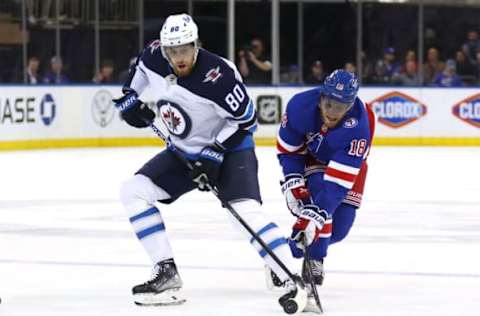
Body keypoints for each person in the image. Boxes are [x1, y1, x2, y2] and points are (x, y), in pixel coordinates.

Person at [113, 13, 307, 312]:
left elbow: (246, 121)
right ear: (164, 49)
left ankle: (286, 272)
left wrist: (215, 151)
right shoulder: (154, 54)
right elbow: (139, 68)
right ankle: (166, 273)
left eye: (185, 49)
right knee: (134, 191)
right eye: (173, 51)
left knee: (242, 213)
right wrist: (129, 97)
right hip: (183, 151)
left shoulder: (219, 75)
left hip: (232, 151)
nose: (179, 57)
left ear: (196, 44)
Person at [272, 70, 375, 307]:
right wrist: (293, 181)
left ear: (351, 105)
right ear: (321, 96)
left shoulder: (360, 125)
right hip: (313, 159)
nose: (331, 112)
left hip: (347, 166)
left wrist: (312, 218)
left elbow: (336, 186)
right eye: (328, 103)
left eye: (340, 107)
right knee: (318, 197)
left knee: (338, 230)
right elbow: (288, 151)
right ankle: (315, 259)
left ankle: (283, 255)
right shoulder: (299, 106)